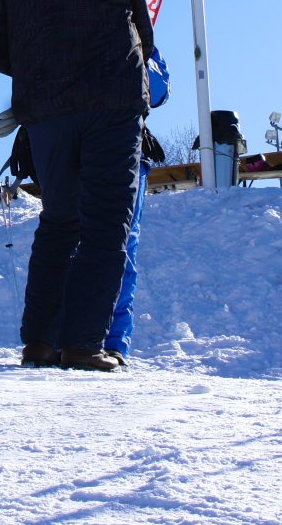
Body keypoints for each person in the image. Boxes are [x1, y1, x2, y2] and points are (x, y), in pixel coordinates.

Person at [0, 0, 152, 373]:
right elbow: (144, 35)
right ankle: (84, 345)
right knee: (107, 224)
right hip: (112, 104)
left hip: (46, 111)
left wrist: (32, 67)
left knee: (59, 221)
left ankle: (41, 345)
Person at [103, 48, 170, 369]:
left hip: (130, 151)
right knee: (71, 240)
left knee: (123, 247)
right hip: (78, 146)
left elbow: (157, 91)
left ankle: (115, 343)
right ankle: (71, 337)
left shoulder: (145, 41)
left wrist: (139, 51)